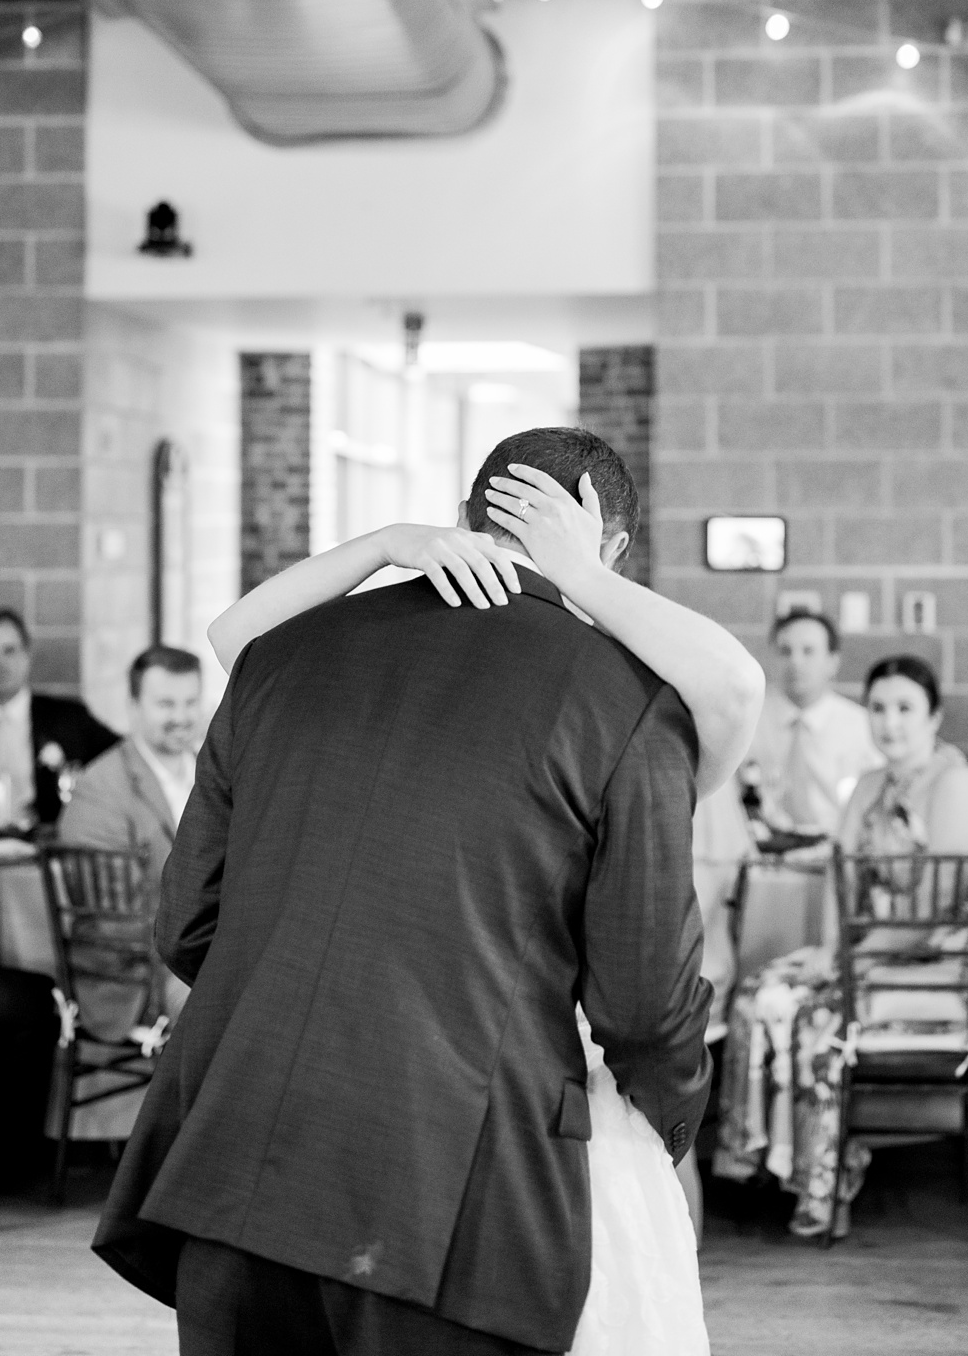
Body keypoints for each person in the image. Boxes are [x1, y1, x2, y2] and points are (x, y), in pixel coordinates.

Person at [101, 427, 758, 1356]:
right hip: (447, 1188)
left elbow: (188, 923)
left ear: (460, 519)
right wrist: (671, 1121)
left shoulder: (280, 658)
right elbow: (644, 998)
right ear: (609, 549)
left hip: (234, 1151)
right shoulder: (630, 702)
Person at [61, 645, 204, 1040]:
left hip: (215, 953)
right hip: (146, 976)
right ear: (133, 706)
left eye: (191, 702)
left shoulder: (216, 771)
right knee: (247, 1015)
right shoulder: (100, 791)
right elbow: (111, 927)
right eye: (165, 704)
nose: (181, 717)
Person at [0, 608, 120, 828]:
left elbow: (119, 758)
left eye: (9, 651)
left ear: (26, 653)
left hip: (47, 845)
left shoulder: (69, 717)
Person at [837, 657, 968, 857]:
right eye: (878, 708)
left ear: (934, 718)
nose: (889, 723)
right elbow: (840, 875)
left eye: (904, 708)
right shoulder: (867, 785)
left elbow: (946, 882)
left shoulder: (958, 782)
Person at [742, 609, 882, 836]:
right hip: (762, 850)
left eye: (808, 651)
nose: (795, 662)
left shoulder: (862, 727)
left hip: (835, 849)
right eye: (785, 651)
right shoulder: (748, 721)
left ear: (833, 662)